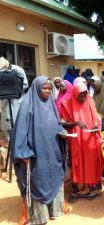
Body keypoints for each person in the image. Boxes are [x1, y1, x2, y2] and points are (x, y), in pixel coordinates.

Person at [11, 76, 68, 225]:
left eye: (50, 88)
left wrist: (62, 131)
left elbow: (56, 124)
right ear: (36, 87)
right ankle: (39, 217)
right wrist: (23, 152)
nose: (48, 91)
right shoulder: (27, 105)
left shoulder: (51, 103)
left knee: (54, 176)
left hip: (53, 151)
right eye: (45, 88)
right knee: (39, 180)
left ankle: (54, 210)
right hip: (37, 153)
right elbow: (20, 132)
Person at [60, 83, 104, 202]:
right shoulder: (67, 104)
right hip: (77, 140)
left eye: (85, 95)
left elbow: (96, 117)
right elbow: (63, 123)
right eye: (81, 96)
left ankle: (93, 188)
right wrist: (76, 123)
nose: (83, 98)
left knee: (91, 163)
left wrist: (95, 123)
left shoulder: (90, 100)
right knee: (78, 162)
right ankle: (78, 189)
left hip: (90, 138)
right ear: (75, 94)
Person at [0, 57, 28, 136]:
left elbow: (25, 84)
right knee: (7, 120)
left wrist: (14, 91)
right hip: (5, 100)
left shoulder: (18, 70)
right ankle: (9, 138)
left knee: (18, 119)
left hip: (17, 99)